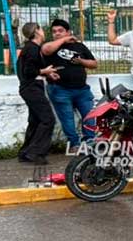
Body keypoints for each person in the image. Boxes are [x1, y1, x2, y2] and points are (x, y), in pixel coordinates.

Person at [41, 19, 98, 149]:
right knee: (67, 119)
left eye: (60, 31)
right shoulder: (50, 46)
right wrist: (64, 39)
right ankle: (74, 144)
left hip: (82, 90)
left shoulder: (79, 46)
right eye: (54, 31)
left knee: (90, 116)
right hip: (60, 89)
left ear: (67, 31)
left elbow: (94, 64)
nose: (57, 33)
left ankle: (90, 142)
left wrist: (81, 61)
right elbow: (46, 50)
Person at [16, 22, 59, 164]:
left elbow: (31, 69)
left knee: (35, 121)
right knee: (47, 119)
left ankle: (26, 151)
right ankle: (35, 152)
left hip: (31, 87)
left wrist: (47, 74)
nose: (43, 31)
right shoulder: (32, 49)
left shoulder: (30, 49)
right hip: (32, 88)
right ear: (37, 32)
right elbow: (29, 71)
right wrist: (44, 71)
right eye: (41, 29)